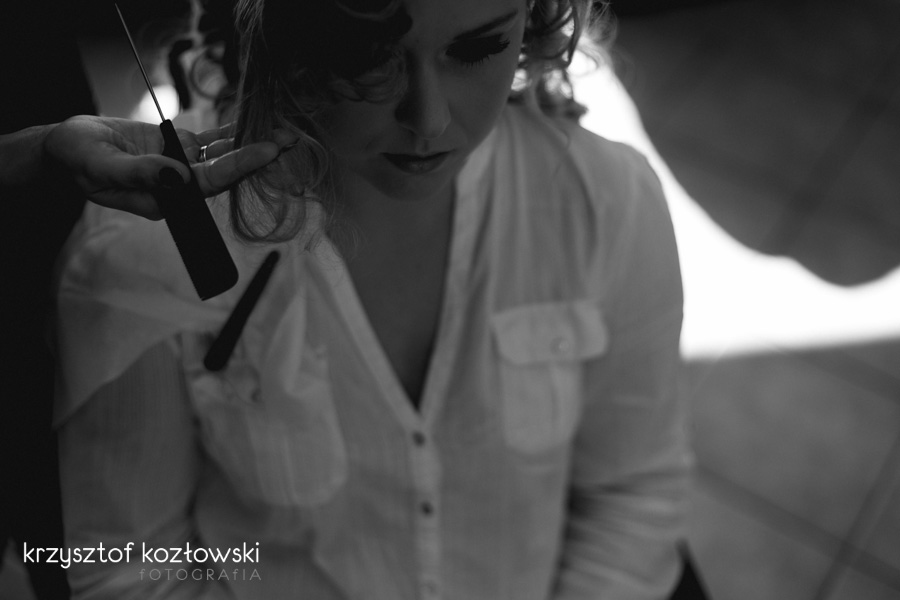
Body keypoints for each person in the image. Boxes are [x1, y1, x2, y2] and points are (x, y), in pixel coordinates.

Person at [55, 0, 691, 598]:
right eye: (369, 55)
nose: (429, 118)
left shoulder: (603, 199)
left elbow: (632, 495)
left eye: (477, 49)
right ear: (275, 29)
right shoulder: (151, 248)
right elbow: (126, 567)